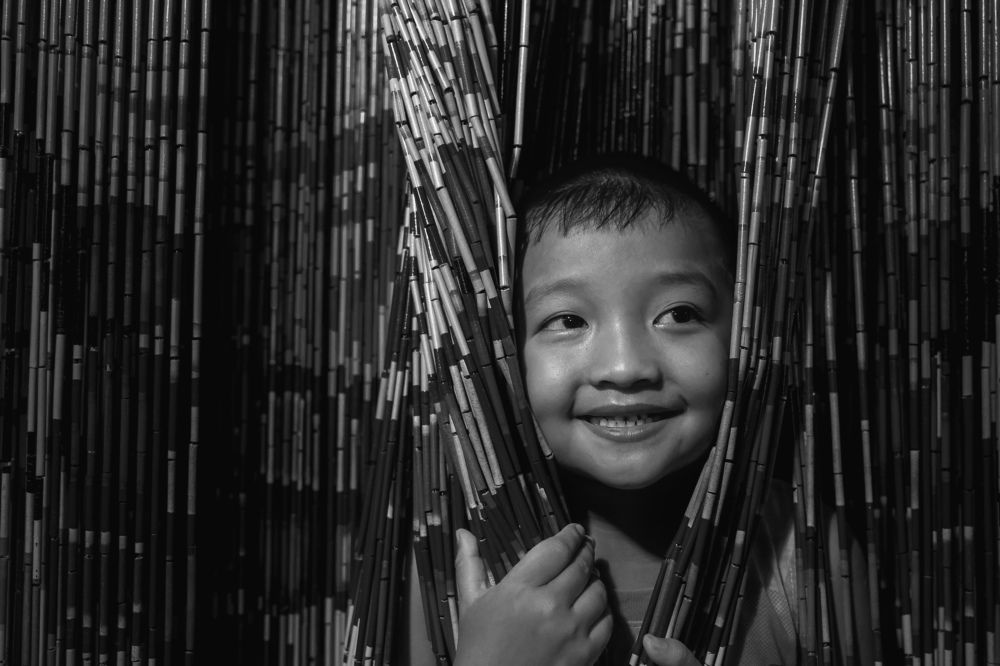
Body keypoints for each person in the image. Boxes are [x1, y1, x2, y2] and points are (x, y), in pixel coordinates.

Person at [404, 154, 871, 665]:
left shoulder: (800, 551)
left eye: (678, 313)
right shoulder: (458, 567)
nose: (626, 368)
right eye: (568, 320)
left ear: (741, 337)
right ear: (507, 355)